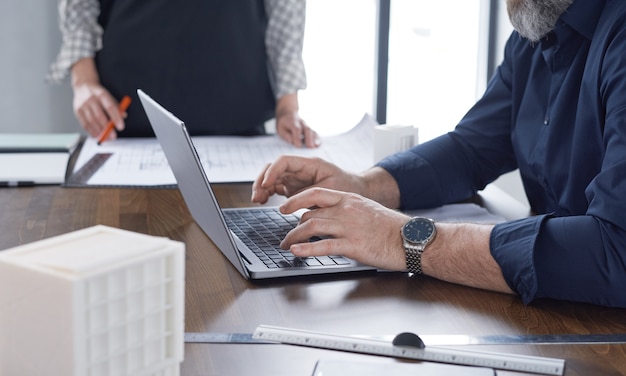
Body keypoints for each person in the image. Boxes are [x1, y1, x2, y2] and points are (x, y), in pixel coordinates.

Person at [251, 0, 626, 308]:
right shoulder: (536, 28)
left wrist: (405, 239)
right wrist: (364, 185)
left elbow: (616, 251)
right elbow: (472, 149)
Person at [47, 0, 318, 147]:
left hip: (238, 126)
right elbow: (79, 5)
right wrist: (84, 81)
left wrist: (287, 106)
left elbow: (286, 10)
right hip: (125, 118)